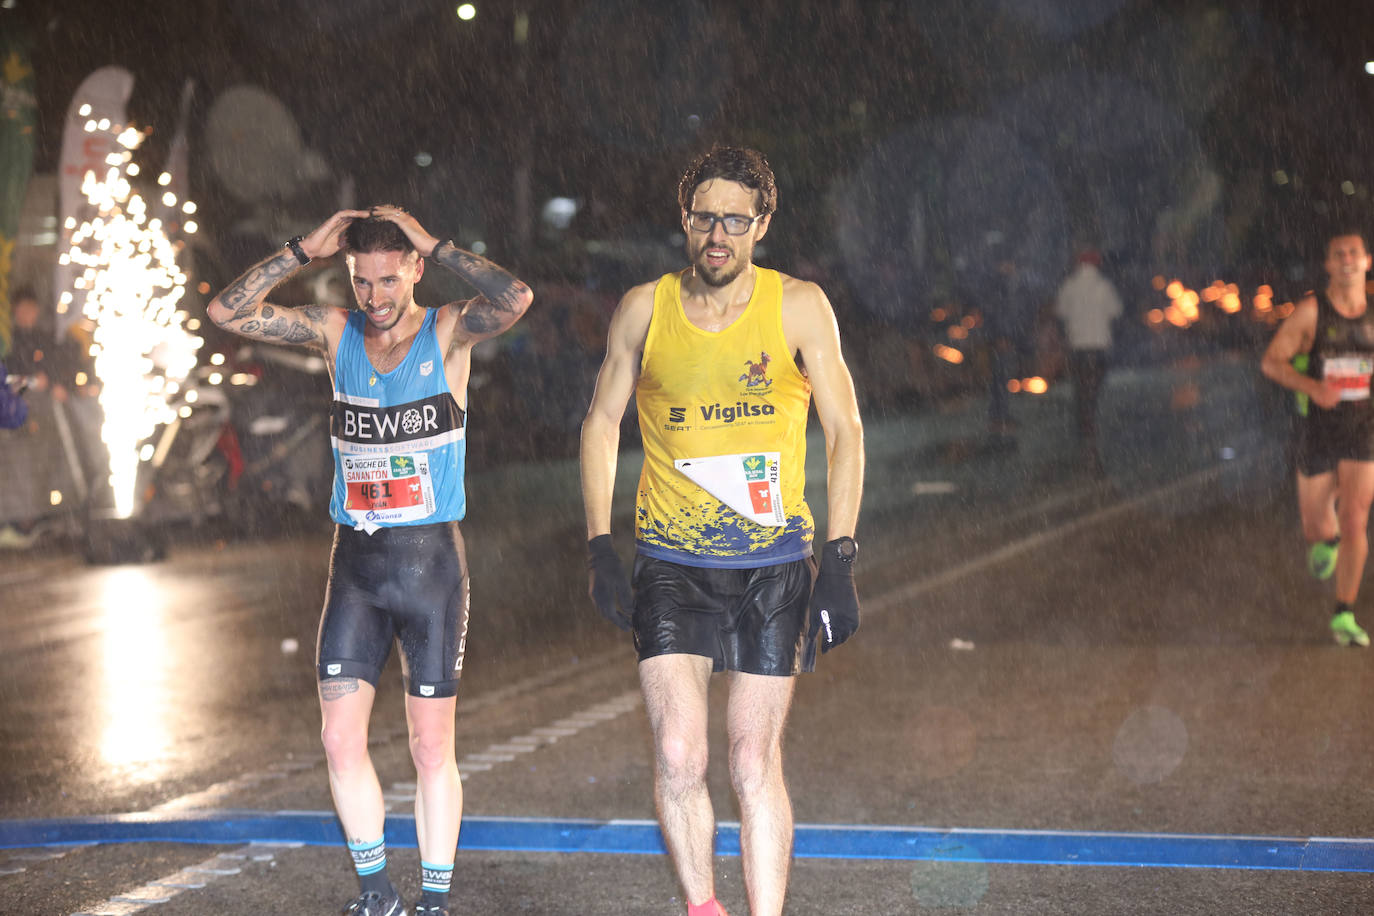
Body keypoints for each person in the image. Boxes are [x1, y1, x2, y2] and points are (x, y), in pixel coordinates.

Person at [206, 207, 533, 916]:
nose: (375, 296)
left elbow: (515, 299)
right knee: (337, 737)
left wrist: (439, 241)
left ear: (415, 268)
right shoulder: (334, 331)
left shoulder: (446, 331)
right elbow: (226, 311)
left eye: (389, 279)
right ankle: (376, 889)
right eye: (361, 281)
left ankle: (435, 898)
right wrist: (301, 249)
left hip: (430, 567)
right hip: (356, 564)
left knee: (427, 747)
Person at [579, 146, 865, 916]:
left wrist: (837, 559)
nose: (718, 234)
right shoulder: (645, 307)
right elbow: (602, 422)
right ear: (685, 219)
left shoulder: (800, 305)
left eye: (736, 220)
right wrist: (599, 545)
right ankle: (703, 907)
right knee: (679, 754)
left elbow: (845, 430)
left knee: (751, 758)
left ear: (761, 225)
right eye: (705, 217)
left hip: (773, 567)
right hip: (670, 561)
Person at [1261, 228, 1374, 648]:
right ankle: (1323, 541)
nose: (1346, 259)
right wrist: (1312, 389)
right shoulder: (1311, 313)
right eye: (1338, 254)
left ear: (1367, 261)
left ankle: (1344, 612)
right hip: (1319, 432)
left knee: (1355, 517)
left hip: (1364, 431)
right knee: (1316, 523)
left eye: (1354, 253)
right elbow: (1272, 363)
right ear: (1328, 265)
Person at [1053, 248, 1123, 462]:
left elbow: (1060, 311)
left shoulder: (1069, 286)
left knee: (1081, 388)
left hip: (1077, 347)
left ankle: (1084, 427)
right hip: (1098, 347)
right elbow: (1116, 311)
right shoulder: (1104, 287)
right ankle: (1090, 426)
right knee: (1093, 389)